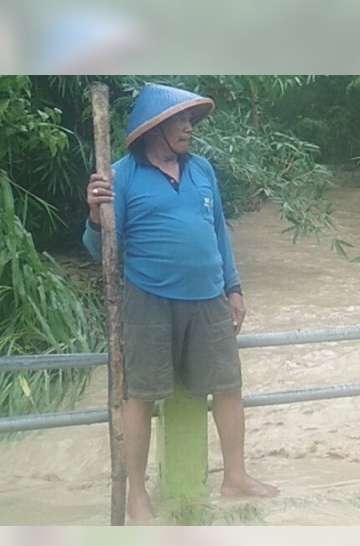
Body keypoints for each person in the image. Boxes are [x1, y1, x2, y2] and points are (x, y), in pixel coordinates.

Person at [83, 83, 278, 521]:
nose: (189, 127)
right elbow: (101, 251)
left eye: (190, 119)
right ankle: (137, 495)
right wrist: (96, 216)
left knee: (228, 385)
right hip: (148, 300)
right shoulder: (120, 176)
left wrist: (234, 288)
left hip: (209, 298)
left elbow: (218, 234)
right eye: (180, 120)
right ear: (154, 128)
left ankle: (236, 476)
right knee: (142, 396)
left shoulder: (202, 170)